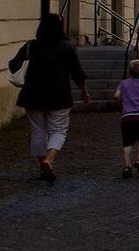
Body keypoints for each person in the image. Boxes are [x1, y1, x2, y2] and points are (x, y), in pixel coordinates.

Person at [8, 14, 89, 183]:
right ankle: (49, 159)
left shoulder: (32, 46)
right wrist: (83, 90)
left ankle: (42, 166)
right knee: (58, 130)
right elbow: (77, 72)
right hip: (59, 95)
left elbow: (13, 64)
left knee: (38, 131)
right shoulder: (67, 47)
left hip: (33, 94)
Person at [114, 59, 139, 178]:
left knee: (127, 142)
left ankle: (127, 165)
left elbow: (117, 95)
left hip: (127, 116)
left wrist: (120, 105)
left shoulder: (124, 83)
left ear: (129, 71)